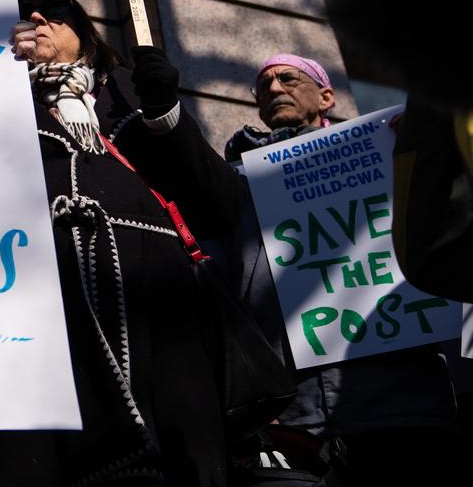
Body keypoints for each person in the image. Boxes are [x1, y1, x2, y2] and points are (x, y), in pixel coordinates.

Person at [0, 0, 232, 486]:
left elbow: (222, 207)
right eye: (20, 13)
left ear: (82, 26)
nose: (37, 16)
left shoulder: (128, 93)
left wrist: (167, 115)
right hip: (36, 314)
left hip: (155, 314)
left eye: (54, 9)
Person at [132, 51, 466, 483]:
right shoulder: (235, 179)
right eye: (264, 86)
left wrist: (423, 151)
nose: (273, 89)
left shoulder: (390, 156)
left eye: (288, 79)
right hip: (290, 424)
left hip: (404, 407)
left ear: (326, 96)